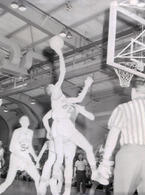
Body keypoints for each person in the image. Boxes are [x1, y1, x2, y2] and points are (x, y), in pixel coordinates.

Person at [95, 78, 145, 195]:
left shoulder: (123, 109)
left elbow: (112, 137)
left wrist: (105, 162)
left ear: (133, 92)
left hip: (129, 156)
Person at [45, 35, 97, 194]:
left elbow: (80, 98)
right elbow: (63, 73)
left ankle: (89, 176)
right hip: (60, 127)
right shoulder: (55, 96)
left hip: (66, 128)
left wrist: (87, 85)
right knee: (60, 158)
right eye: (52, 86)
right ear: (52, 90)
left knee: (76, 155)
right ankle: (55, 181)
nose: (55, 85)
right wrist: (59, 53)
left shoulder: (65, 100)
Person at [0, 116, 40, 195]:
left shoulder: (30, 132)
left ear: (28, 122)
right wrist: (21, 157)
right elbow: (11, 148)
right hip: (16, 157)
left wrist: (36, 158)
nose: (25, 122)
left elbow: (29, 147)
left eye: (26, 120)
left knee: (37, 178)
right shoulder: (17, 131)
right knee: (9, 181)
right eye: (23, 120)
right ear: (20, 122)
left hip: (26, 157)